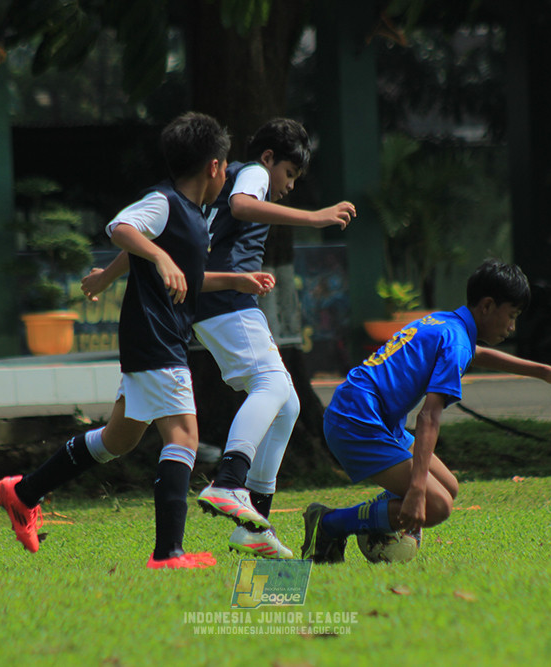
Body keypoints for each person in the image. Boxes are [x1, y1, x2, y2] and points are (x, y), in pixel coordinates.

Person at [0, 112, 275, 570]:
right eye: (226, 167)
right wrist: (160, 258)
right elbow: (122, 227)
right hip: (156, 339)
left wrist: (234, 281)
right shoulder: (164, 202)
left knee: (116, 440)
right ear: (215, 167)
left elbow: (183, 275)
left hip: (156, 340)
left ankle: (21, 492)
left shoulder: (193, 216)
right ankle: (168, 554)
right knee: (184, 437)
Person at [82, 118, 357, 559]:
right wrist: (315, 218)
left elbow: (154, 237)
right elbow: (246, 205)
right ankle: (229, 481)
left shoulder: (207, 192)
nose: (287, 187)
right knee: (272, 386)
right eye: (288, 174)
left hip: (213, 295)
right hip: (225, 296)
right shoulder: (250, 172)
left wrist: (108, 275)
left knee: (287, 402)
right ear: (268, 159)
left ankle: (254, 521)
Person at [301, 259, 551, 563]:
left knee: (449, 487)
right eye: (512, 315)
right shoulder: (456, 342)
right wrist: (415, 491)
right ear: (488, 306)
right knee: (437, 505)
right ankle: (330, 523)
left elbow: (476, 353)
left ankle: (374, 522)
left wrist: (545, 372)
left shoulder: (445, 323)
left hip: (367, 414)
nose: (513, 326)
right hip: (357, 422)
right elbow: (429, 417)